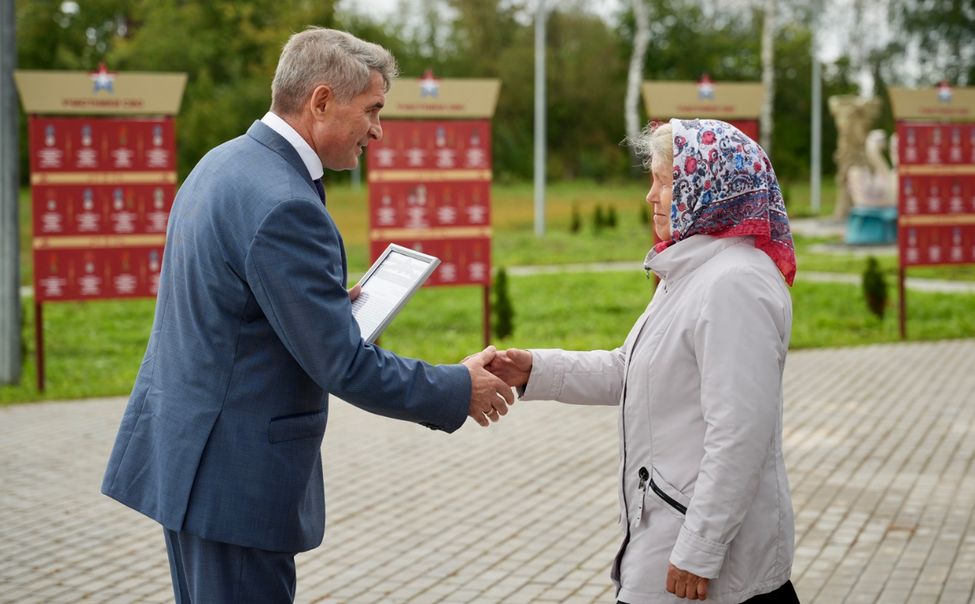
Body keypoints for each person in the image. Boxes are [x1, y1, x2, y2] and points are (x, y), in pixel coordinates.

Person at [101, 27, 513, 603]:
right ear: (321, 101)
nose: (378, 129)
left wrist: (312, 306)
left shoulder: (223, 164)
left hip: (190, 467)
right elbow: (343, 365)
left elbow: (232, 306)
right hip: (234, 486)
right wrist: (456, 387)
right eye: (371, 109)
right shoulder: (287, 203)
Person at [488, 119, 799, 603]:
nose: (650, 197)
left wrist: (701, 547)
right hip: (668, 534)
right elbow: (632, 370)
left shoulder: (732, 284)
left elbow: (741, 432)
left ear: (708, 186)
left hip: (712, 568)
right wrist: (535, 369)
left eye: (664, 181)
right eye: (651, 180)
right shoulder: (692, 270)